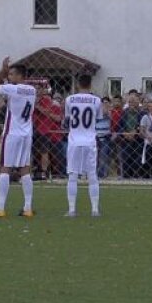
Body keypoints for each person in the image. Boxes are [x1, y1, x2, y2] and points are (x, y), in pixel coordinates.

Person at [0, 57, 37, 217]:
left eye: (11, 74)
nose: (9, 77)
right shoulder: (32, 90)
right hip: (26, 134)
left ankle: (1, 208)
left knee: (5, 168)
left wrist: (2, 70)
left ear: (19, 76)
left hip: (12, 134)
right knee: (25, 170)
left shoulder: (12, 88)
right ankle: (28, 208)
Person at [64, 74, 102, 217]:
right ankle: (94, 210)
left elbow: (68, 119)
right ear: (90, 84)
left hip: (74, 141)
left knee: (72, 175)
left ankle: (72, 210)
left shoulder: (69, 99)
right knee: (92, 175)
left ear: (78, 84)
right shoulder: (96, 101)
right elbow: (98, 119)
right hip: (89, 141)